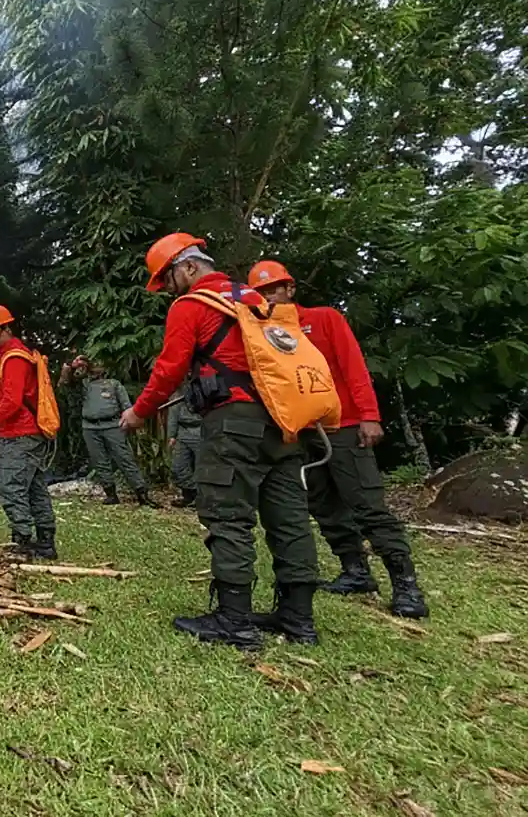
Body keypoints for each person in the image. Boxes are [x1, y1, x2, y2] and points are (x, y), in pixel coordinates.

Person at [118, 233, 322, 649]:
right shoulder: (256, 301)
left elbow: (169, 369)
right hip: (283, 420)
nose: (168, 289)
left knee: (228, 515)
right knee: (290, 520)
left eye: (168, 278)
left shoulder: (192, 306)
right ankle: (298, 618)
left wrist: (139, 412)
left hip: (234, 423)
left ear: (188, 266)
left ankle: (235, 621)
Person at [248, 260, 429, 618]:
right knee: (322, 504)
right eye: (262, 292)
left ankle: (405, 583)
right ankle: (355, 570)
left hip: (345, 427)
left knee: (366, 504)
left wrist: (370, 416)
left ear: (290, 289)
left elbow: (353, 366)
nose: (270, 296)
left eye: (275, 288)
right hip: (301, 432)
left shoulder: (324, 319)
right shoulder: (262, 331)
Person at [0, 304, 57, 559]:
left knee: (11, 488)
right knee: (35, 487)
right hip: (28, 434)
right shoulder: (13, 354)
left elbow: (11, 402)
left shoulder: (14, 357)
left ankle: (23, 543)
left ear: (3, 329)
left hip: (21, 435)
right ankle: (46, 543)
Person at [59, 357, 152, 505]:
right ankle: (110, 493)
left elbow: (127, 406)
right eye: (94, 364)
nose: (96, 367)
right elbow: (65, 382)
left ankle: (141, 492)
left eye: (99, 364)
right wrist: (71, 365)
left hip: (113, 425)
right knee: (99, 461)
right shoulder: (83, 384)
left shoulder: (114, 384)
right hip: (90, 427)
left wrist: (129, 422)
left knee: (125, 459)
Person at [166, 380, 202, 507]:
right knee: (178, 467)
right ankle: (189, 493)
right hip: (183, 432)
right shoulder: (177, 394)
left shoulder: (205, 389)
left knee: (200, 467)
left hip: (201, 430)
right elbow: (173, 416)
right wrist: (171, 435)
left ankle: (200, 498)